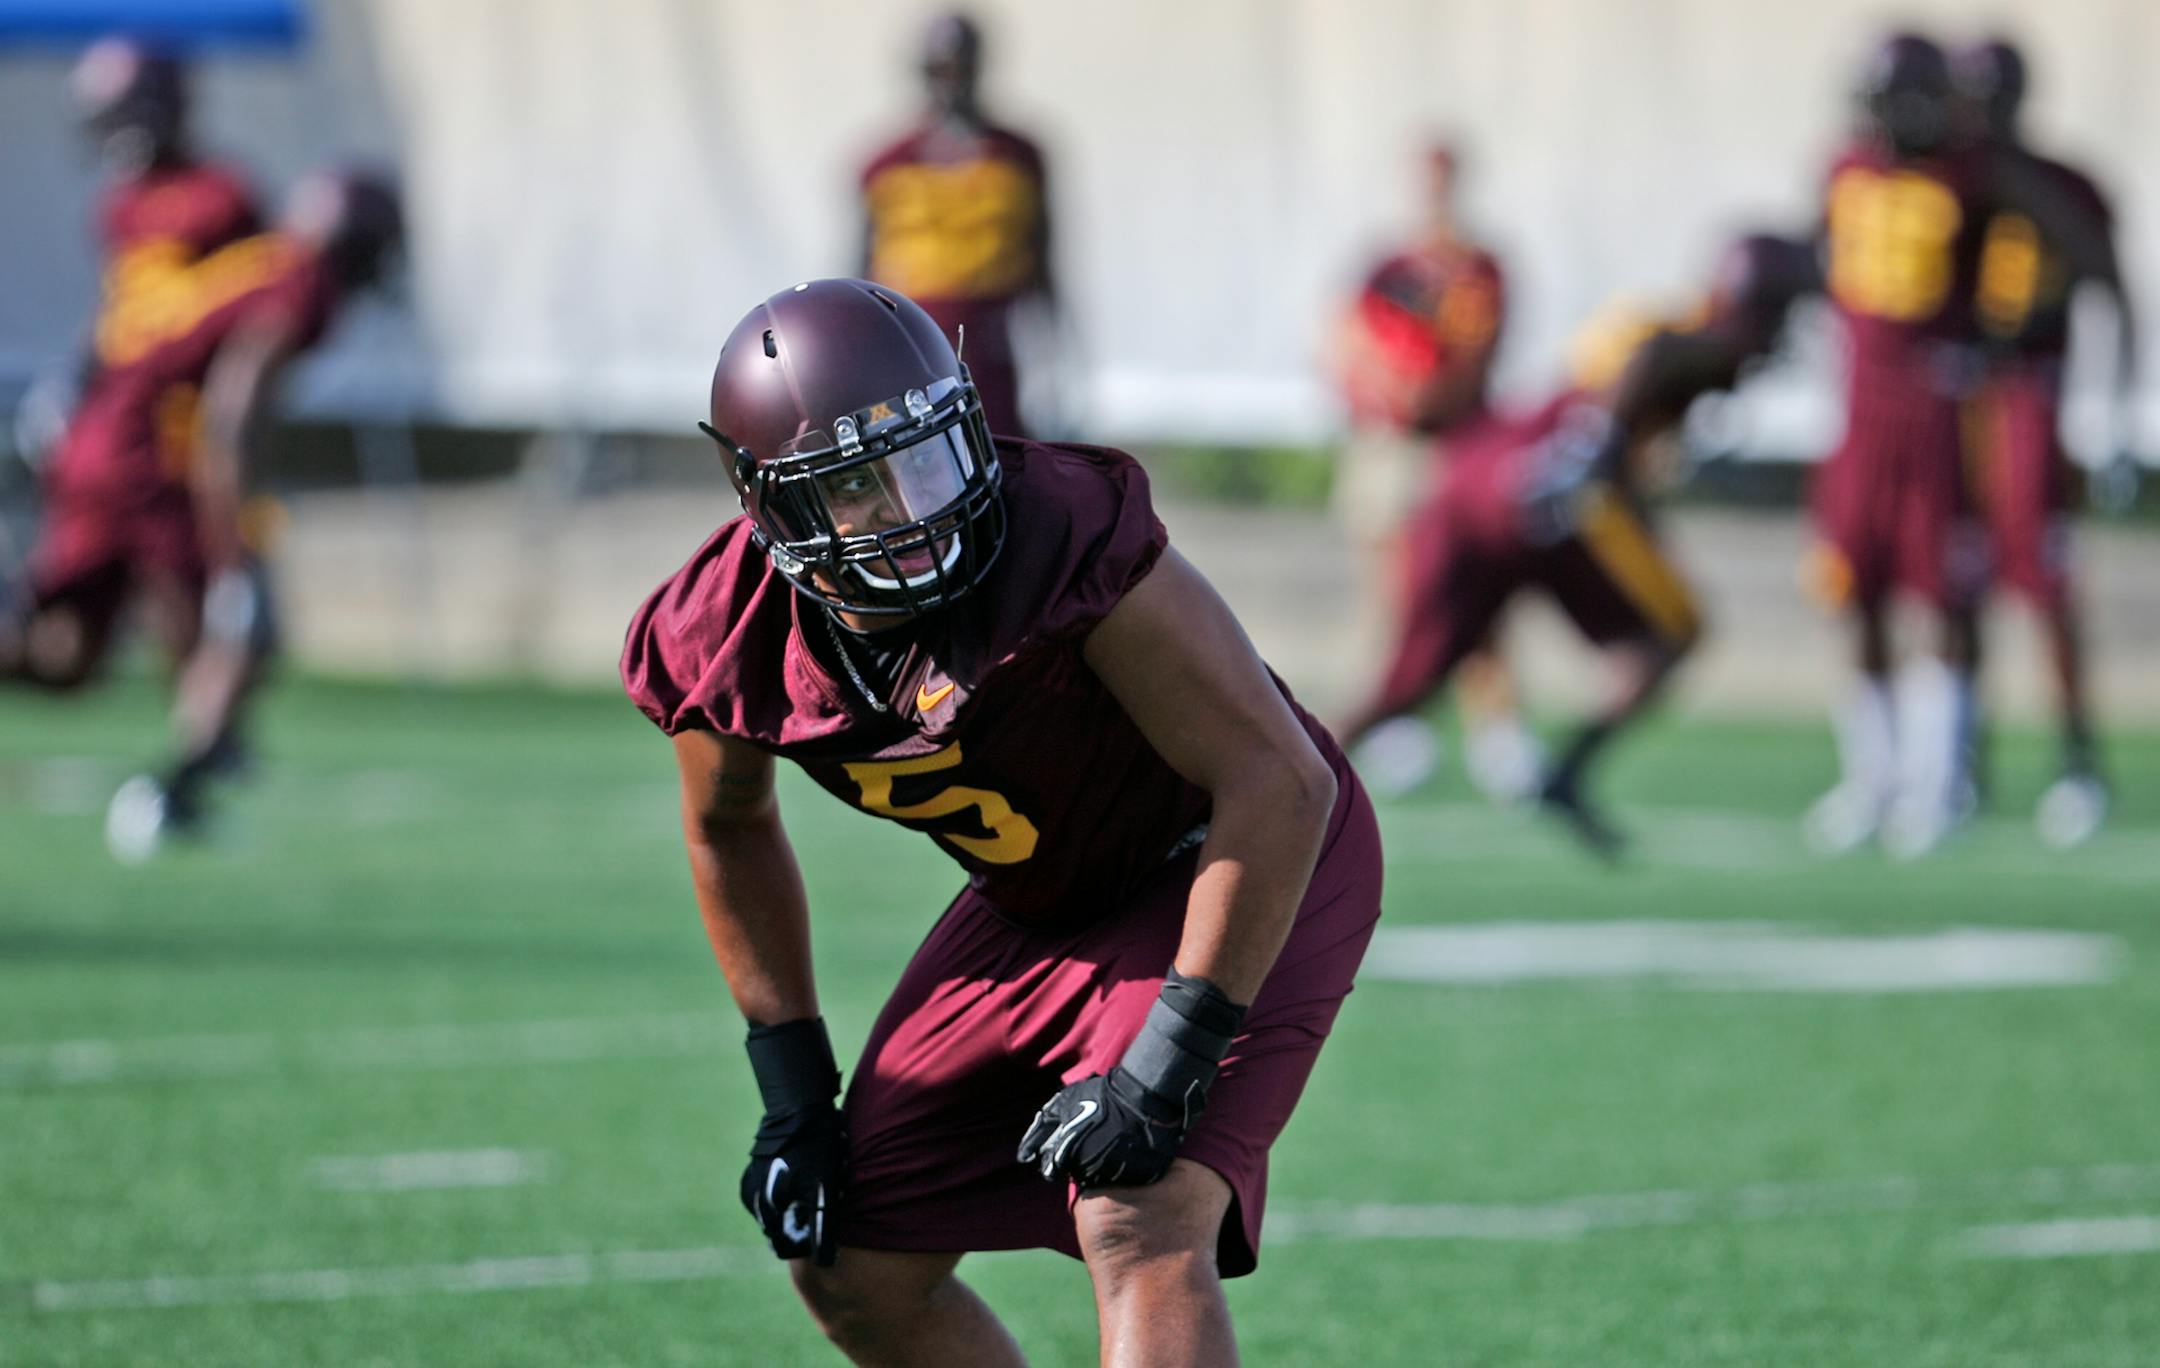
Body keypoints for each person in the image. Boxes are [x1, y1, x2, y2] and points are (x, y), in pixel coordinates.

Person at [621, 279, 1382, 1366]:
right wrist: (792, 1093)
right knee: (851, 1261)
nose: (916, 508)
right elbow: (728, 826)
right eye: (862, 490)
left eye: (926, 460)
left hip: (1227, 856)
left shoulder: (1060, 534)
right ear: (773, 506)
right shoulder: (722, 636)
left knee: (1137, 1207)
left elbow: (1276, 780)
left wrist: (1174, 1054)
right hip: (1041, 901)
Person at [1337, 235, 1818, 855]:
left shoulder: (1670, 317)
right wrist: (1604, 448)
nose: (1784, 330)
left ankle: (1289, 769)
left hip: (1481, 474)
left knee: (1408, 684)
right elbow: (1655, 357)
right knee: (1673, 632)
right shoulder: (1696, 337)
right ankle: (1567, 770)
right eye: (1781, 310)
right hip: (1537, 496)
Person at [1, 170, 403, 861]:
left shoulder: (266, 259)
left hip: (102, 440)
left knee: (65, 653)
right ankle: (175, 797)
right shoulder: (304, 283)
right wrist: (234, 549)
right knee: (239, 623)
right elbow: (231, 417)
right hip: (144, 455)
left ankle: (192, 773)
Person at [1803, 32, 2111, 858]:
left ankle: (1940, 780)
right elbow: (1817, 262)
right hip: (1861, 412)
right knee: (1854, 589)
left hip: (1938, 408)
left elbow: (2084, 247)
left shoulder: (1975, 175)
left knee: (1944, 591)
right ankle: (1876, 774)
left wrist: (2003, 343)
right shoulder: (1845, 168)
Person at [1954, 36, 2138, 848]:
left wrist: (2119, 415)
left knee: (2046, 587)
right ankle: (1955, 760)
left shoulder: (2054, 185)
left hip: (2031, 395)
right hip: (1955, 400)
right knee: (1950, 582)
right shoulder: (1941, 184)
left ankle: (2076, 760)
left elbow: (2109, 282)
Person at [1332, 140, 1536, 802]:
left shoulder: (1480, 268)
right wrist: (1387, 390)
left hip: (1459, 445)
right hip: (1395, 442)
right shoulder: (1387, 266)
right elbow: (1347, 343)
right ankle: (1399, 727)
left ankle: (1497, 732)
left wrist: (1434, 392)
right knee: (1393, 590)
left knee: (1478, 590)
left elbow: (1482, 352)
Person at [12, 38, 262, 474]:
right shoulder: (121, 207)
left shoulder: (221, 196)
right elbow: (118, 306)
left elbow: (252, 322)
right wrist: (69, 380)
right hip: (125, 410)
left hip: (184, 413)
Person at [858, 12, 1054, 436]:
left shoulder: (1019, 158)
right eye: (940, 69)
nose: (952, 81)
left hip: (992, 347)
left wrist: (1056, 356)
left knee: (1002, 453)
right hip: (910, 347)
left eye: (961, 68)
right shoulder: (887, 164)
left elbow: (1046, 258)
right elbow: (859, 268)